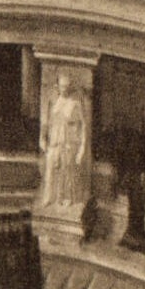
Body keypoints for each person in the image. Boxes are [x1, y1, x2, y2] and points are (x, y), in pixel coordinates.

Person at [40, 72, 87, 209]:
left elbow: (83, 126)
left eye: (66, 86)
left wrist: (82, 147)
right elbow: (46, 122)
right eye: (62, 86)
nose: (64, 89)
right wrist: (42, 137)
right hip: (54, 142)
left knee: (67, 171)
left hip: (69, 143)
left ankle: (67, 197)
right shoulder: (54, 102)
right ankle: (48, 197)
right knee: (50, 171)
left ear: (70, 87)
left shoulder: (75, 104)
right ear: (58, 87)